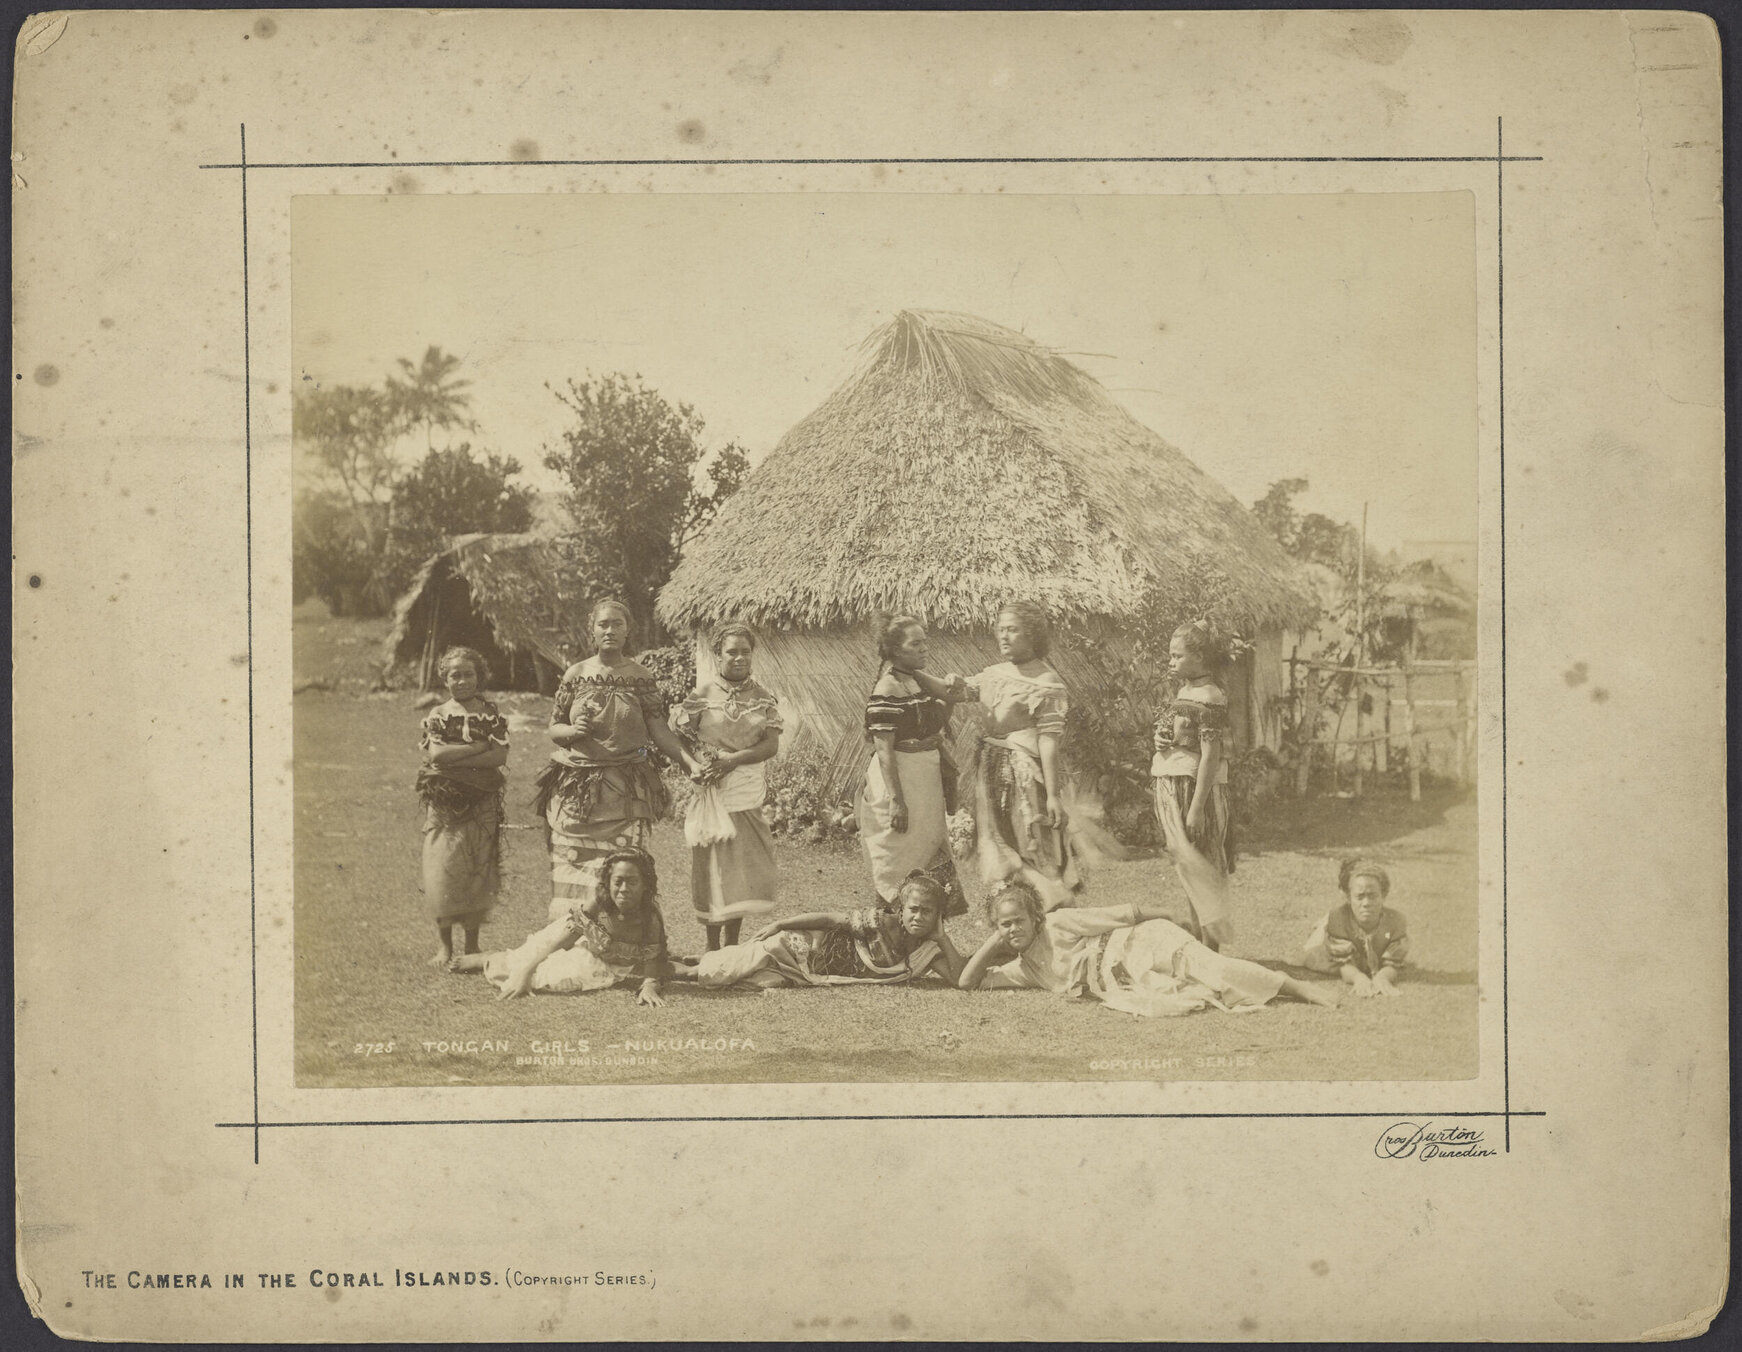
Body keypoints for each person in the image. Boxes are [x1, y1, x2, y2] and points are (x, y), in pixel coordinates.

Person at [532, 598, 706, 914]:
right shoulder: (576, 674)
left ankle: (621, 938)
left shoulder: (641, 677)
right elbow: (555, 728)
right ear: (592, 631)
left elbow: (659, 730)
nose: (610, 630)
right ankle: (573, 939)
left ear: (628, 631)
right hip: (576, 793)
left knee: (624, 874)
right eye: (603, 624)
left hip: (625, 790)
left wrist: (691, 762)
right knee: (572, 873)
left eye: (617, 624)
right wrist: (574, 731)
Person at [959, 879, 1337, 1015]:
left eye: (1019, 921)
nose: (1013, 930)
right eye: (1005, 925)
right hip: (1131, 980)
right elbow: (967, 982)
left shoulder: (1057, 924)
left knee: (1216, 970)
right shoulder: (1025, 970)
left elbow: (1120, 915)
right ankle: (1273, 986)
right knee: (1202, 992)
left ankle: (1293, 985)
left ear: (1035, 918)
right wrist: (995, 939)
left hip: (1143, 942)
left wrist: (1170, 916)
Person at [960, 601, 1082, 909]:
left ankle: (1054, 910)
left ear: (1033, 635)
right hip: (991, 772)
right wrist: (914, 672)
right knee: (1001, 844)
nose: (1004, 636)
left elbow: (1048, 742)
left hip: (1026, 777)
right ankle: (1020, 915)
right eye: (1001, 629)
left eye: (1013, 630)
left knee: (1032, 841)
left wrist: (1052, 796)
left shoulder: (1046, 683)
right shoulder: (993, 674)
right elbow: (959, 691)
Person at [673, 622, 783, 950]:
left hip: (745, 792)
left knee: (741, 870)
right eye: (731, 652)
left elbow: (771, 745)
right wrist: (696, 766)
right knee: (711, 868)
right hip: (712, 792)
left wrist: (733, 761)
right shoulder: (701, 697)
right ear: (717, 655)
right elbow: (679, 739)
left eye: (745, 652)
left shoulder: (762, 698)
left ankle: (732, 944)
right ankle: (712, 946)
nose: (739, 658)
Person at [671, 872, 966, 988]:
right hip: (796, 947)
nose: (918, 917)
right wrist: (780, 924)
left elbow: (958, 978)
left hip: (800, 974)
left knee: (759, 981)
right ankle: (657, 971)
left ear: (939, 916)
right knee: (719, 972)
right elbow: (830, 920)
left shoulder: (929, 950)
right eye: (913, 909)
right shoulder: (880, 922)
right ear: (902, 910)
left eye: (928, 912)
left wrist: (942, 937)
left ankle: (692, 962)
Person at [451, 850, 671, 1005]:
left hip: (600, 959)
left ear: (645, 885)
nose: (623, 889)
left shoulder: (650, 916)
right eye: (618, 881)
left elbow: (654, 958)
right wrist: (527, 969)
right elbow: (566, 936)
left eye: (632, 882)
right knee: (522, 966)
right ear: (608, 882)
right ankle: (488, 958)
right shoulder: (599, 901)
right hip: (572, 936)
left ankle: (499, 960)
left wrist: (649, 985)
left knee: (553, 979)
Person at [856, 616, 968, 917]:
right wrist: (897, 801)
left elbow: (939, 715)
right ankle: (892, 927)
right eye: (915, 643)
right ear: (895, 649)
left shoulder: (916, 680)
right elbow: (884, 751)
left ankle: (927, 930)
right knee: (897, 859)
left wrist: (952, 686)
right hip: (899, 783)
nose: (923, 648)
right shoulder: (887, 689)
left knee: (929, 851)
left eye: (925, 642)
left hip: (925, 784)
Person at [416, 646, 508, 969]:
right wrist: (479, 748)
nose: (463, 681)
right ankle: (444, 946)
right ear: (445, 679)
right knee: (441, 867)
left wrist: (462, 758)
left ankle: (471, 945)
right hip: (445, 802)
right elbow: (437, 756)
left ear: (479, 677)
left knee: (476, 868)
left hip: (482, 801)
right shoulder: (438, 715)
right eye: (455, 675)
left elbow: (500, 756)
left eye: (469, 674)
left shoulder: (491, 714)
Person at [1152, 619, 1238, 949]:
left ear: (1200, 658)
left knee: (1203, 864)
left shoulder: (1211, 696)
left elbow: (1210, 755)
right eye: (1170, 656)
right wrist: (1162, 739)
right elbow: (1180, 733)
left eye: (1178, 656)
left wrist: (1198, 808)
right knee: (1188, 865)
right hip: (1175, 785)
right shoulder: (1185, 691)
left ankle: (1209, 946)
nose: (1171, 662)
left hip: (1196, 790)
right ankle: (1200, 944)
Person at [1303, 858, 1410, 997]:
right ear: (1348, 897)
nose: (1366, 903)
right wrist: (1358, 978)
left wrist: (1382, 977)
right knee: (1328, 929)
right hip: (1334, 943)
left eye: (1373, 896)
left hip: (1364, 943)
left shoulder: (1396, 920)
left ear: (1383, 895)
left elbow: (1393, 964)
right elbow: (1344, 965)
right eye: (1360, 896)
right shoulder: (1338, 919)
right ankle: (1323, 924)